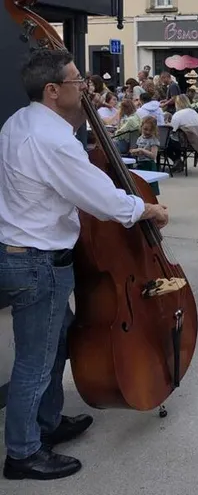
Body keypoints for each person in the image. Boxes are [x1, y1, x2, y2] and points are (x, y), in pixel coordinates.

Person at [0, 49, 169, 481]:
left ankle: (47, 423)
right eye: (77, 81)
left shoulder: (22, 121)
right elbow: (101, 197)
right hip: (37, 262)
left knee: (55, 345)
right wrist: (146, 210)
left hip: (29, 255)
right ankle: (22, 452)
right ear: (53, 90)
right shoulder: (51, 139)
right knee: (35, 361)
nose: (86, 87)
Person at [130, 116, 161, 195]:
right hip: (140, 164)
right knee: (141, 187)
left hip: (149, 165)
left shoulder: (153, 140)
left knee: (150, 188)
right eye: (145, 129)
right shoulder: (140, 138)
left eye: (150, 130)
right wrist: (135, 152)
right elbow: (137, 150)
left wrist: (142, 150)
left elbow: (153, 155)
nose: (147, 132)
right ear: (141, 127)